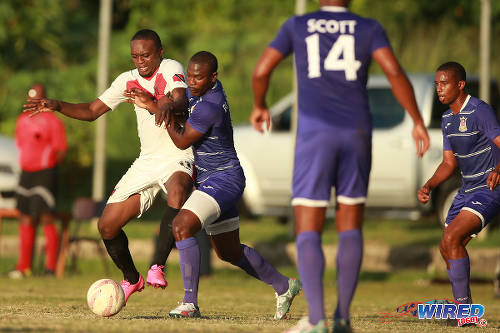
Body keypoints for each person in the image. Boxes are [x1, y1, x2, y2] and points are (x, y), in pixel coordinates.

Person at [250, 1, 430, 332]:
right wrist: (417, 120)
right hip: (357, 132)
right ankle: (343, 317)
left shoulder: (297, 25)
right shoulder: (369, 27)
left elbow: (261, 70)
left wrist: (260, 105)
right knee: (350, 224)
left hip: (315, 134)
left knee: (309, 225)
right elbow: (393, 71)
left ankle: (316, 319)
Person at [23, 29, 194, 303]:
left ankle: (157, 266)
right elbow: (92, 111)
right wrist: (57, 105)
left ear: (160, 52)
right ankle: (131, 279)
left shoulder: (170, 67)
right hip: (147, 161)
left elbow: (181, 99)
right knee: (107, 226)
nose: (140, 61)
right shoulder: (127, 80)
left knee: (177, 193)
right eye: (135, 56)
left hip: (177, 156)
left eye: (146, 55)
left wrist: (164, 105)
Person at [131, 50, 301, 319]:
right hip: (217, 179)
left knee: (181, 225)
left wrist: (154, 107)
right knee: (229, 251)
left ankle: (189, 303)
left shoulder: (210, 105)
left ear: (213, 78)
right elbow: (179, 100)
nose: (192, 82)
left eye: (198, 78)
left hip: (223, 179)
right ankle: (285, 286)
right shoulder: (200, 92)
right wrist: (161, 100)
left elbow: (182, 140)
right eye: (189, 76)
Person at [418, 62, 500, 318]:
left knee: (452, 239)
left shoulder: (479, 110)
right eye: (436, 84)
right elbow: (448, 163)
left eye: (444, 83)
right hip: (466, 190)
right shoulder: (447, 118)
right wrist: (430, 185)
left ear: (460, 85)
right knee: (447, 247)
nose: (439, 89)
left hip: (488, 189)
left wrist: (498, 168)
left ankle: (465, 313)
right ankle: (463, 308)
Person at [9, 84, 67, 279]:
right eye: (31, 99)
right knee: (25, 217)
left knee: (45, 217)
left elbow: (60, 150)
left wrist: (50, 169)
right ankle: (23, 267)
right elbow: (20, 145)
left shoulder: (53, 121)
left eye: (38, 99)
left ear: (44, 99)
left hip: (45, 174)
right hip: (26, 174)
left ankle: (50, 269)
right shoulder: (21, 120)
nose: (33, 103)